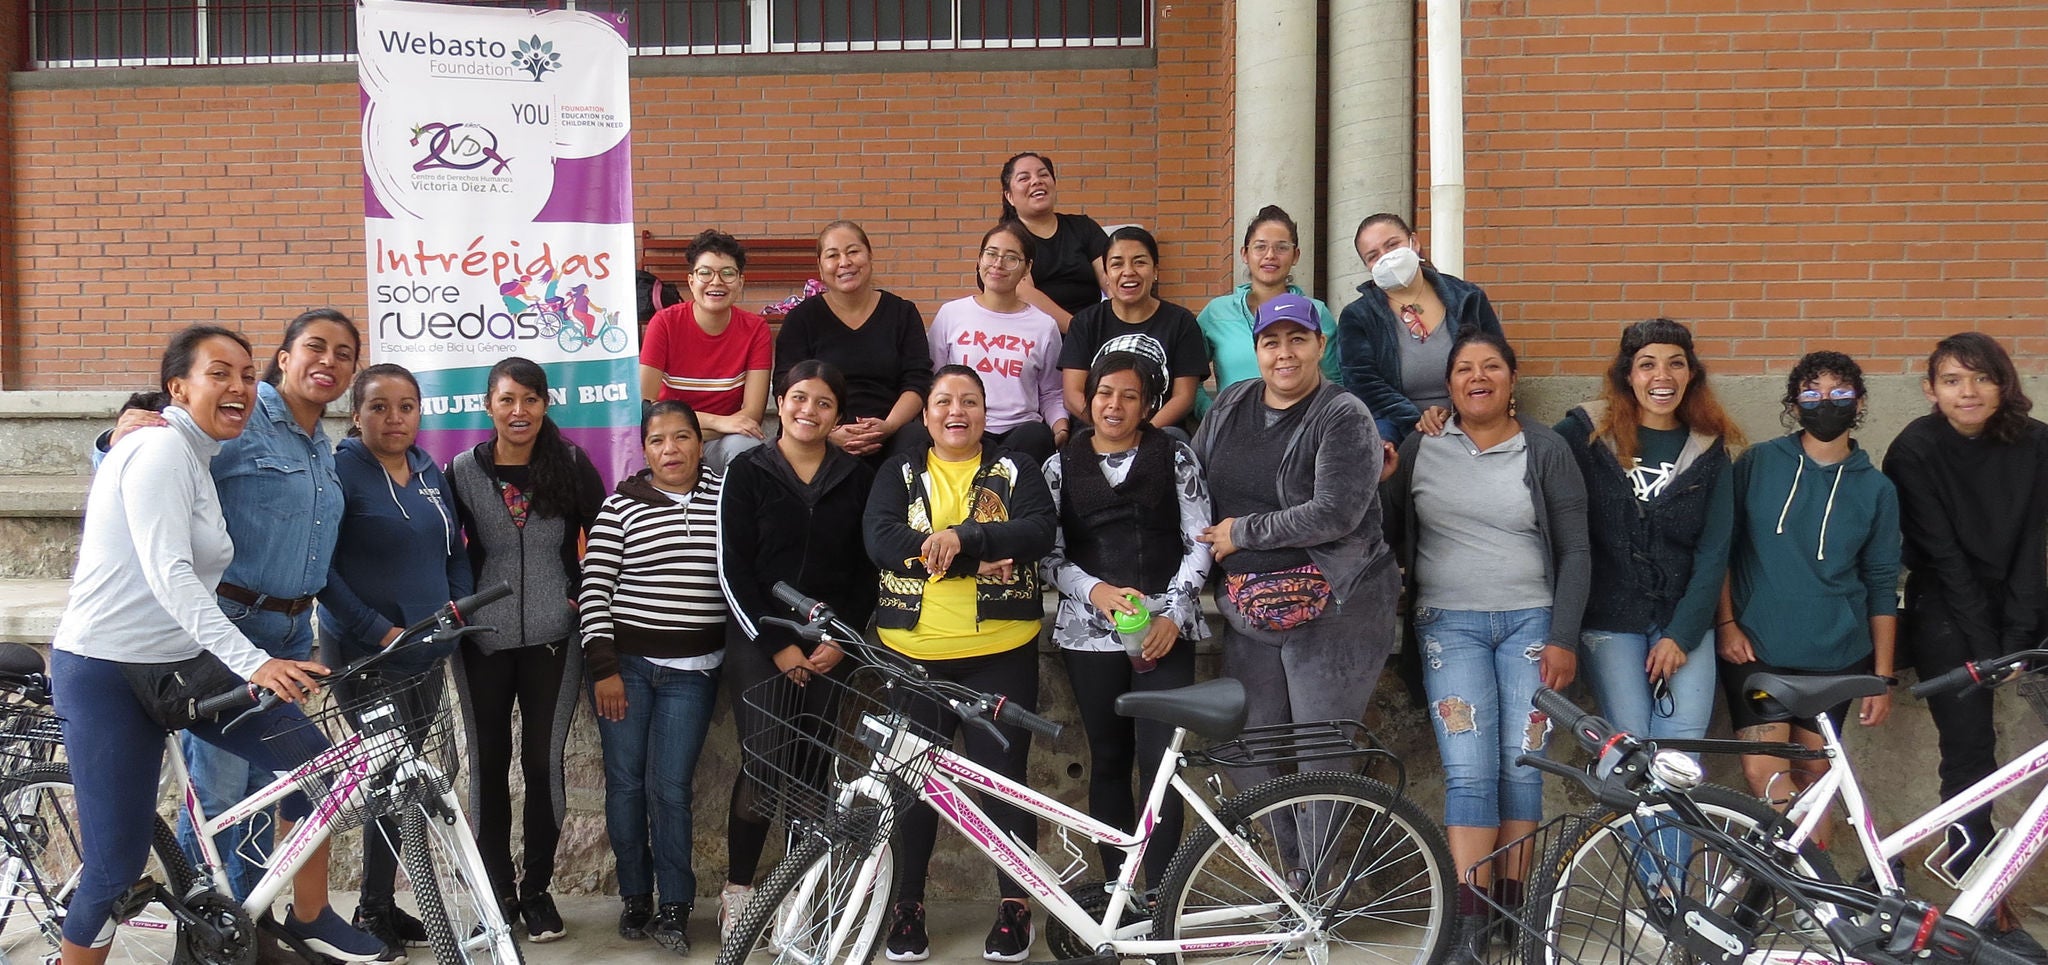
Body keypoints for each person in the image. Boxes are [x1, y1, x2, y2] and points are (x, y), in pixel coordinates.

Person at [53, 325, 385, 965]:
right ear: (176, 387)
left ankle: (308, 917)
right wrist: (255, 663)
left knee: (313, 768)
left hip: (179, 662)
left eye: (243, 373)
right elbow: (169, 572)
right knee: (115, 868)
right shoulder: (157, 451)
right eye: (218, 373)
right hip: (107, 670)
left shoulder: (202, 456)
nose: (237, 385)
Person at [97, 309, 358, 903]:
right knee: (224, 799)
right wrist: (115, 437)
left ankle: (260, 919)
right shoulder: (237, 420)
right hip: (229, 627)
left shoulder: (323, 446)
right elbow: (138, 472)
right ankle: (219, 929)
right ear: (284, 357)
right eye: (314, 347)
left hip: (293, 632)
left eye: (344, 354)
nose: (329, 361)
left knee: (282, 786)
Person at [1384, 330, 1588, 961]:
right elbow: (1389, 526)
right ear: (1447, 385)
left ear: (1512, 378)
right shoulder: (1424, 445)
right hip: (1449, 627)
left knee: (1521, 767)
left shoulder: (1546, 447)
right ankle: (1471, 921)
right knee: (1470, 772)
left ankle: (1514, 908)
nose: (1478, 377)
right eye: (1464, 369)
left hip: (1533, 626)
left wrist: (1563, 637)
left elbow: (1578, 550)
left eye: (1491, 367)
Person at [1191, 294, 1400, 862]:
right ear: (1255, 349)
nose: (1284, 354)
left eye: (1297, 339)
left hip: (1338, 606)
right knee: (1243, 746)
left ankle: (1319, 895)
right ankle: (1292, 873)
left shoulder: (1344, 414)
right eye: (1270, 342)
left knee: (1320, 754)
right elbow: (1196, 489)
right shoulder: (1231, 403)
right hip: (1251, 606)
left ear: (1319, 346)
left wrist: (1244, 533)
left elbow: (1337, 511)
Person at [865, 365, 1057, 964]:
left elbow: (1036, 531)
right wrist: (974, 561)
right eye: (943, 401)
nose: (956, 411)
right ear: (925, 416)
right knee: (911, 790)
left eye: (969, 401)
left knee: (1004, 786)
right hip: (913, 659)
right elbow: (879, 540)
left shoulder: (1015, 469)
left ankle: (1014, 906)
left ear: (984, 412)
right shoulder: (898, 471)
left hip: (999, 655)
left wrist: (964, 535)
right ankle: (907, 905)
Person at [1882, 332, 2048, 957]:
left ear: (2003, 384)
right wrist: (1990, 651)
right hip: (1947, 609)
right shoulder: (1914, 450)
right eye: (1953, 380)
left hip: (2020, 602)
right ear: (1932, 391)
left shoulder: (2036, 444)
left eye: (1981, 378)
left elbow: (2033, 544)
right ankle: (1980, 904)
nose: (1968, 392)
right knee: (1971, 751)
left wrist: (2019, 637)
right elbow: (1944, 559)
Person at [715, 359, 879, 942]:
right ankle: (739, 893)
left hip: (832, 642)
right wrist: (778, 645)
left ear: (838, 415)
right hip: (760, 640)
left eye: (823, 403)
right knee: (764, 765)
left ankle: (797, 899)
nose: (809, 411)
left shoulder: (856, 478)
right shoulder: (747, 470)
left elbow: (866, 574)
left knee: (813, 771)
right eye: (798, 398)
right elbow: (733, 570)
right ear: (778, 402)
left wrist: (842, 638)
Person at [446, 356, 606, 942]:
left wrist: (576, 598)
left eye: (531, 400)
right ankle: (498, 891)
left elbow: (607, 533)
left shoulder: (569, 463)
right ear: (488, 405)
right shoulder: (461, 470)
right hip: (481, 643)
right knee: (488, 764)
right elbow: (448, 550)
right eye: (507, 399)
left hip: (552, 643)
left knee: (542, 764)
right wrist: (462, 610)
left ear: (545, 405)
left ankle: (537, 892)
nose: (520, 411)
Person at [316, 362, 474, 951]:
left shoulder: (430, 470)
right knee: (381, 776)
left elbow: (453, 548)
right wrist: (380, 631)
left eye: (406, 406)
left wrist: (453, 612)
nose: (394, 418)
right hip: (366, 653)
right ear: (356, 414)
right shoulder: (339, 471)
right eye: (379, 406)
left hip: (429, 649)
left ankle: (379, 904)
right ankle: (370, 912)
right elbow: (323, 573)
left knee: (406, 778)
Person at [1041, 350, 1212, 888]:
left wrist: (1177, 613)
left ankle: (1160, 895)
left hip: (1164, 630)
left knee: (1162, 766)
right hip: (1089, 634)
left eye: (1130, 395)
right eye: (1104, 393)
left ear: (1148, 405)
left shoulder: (1175, 456)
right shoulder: (1059, 465)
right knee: (1109, 759)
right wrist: (1096, 592)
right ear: (1088, 399)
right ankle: (1119, 892)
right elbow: (1047, 556)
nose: (1115, 405)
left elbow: (1199, 540)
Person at [1717, 351, 1899, 844]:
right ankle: (1793, 884)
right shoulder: (1757, 463)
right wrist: (1726, 624)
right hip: (1758, 650)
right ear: (1793, 405)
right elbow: (1723, 550)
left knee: (1817, 780)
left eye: (1839, 393)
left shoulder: (1877, 489)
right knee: (1765, 775)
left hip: (1837, 655)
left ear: (1858, 402)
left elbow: (1882, 581)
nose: (1825, 403)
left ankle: (1811, 905)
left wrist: (1882, 675)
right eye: (1811, 393)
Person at [579, 400, 727, 955]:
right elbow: (596, 588)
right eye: (659, 440)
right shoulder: (622, 505)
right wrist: (605, 670)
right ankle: (636, 895)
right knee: (626, 785)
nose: (671, 449)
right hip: (628, 672)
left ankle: (676, 904)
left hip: (695, 673)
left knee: (670, 789)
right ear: (645, 449)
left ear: (699, 442)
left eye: (682, 437)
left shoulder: (726, 499)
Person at [1555, 319, 1742, 753]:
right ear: (1627, 375)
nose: (1663, 376)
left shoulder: (1708, 449)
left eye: (1676, 364)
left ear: (1691, 374)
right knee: (1629, 749)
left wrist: (1681, 635)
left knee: (1680, 751)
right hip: (1609, 618)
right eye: (1647, 365)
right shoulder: (1585, 434)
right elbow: (1524, 454)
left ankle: (1671, 826)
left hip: (1684, 619)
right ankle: (1630, 824)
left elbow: (1714, 552)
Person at [773, 221, 934, 464]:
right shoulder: (802, 318)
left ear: (869, 255)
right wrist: (827, 431)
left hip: (890, 431)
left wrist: (888, 426)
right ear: (820, 266)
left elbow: (918, 380)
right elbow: (785, 384)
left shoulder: (902, 313)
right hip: (819, 431)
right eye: (832, 255)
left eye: (853, 251)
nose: (844, 262)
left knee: (916, 437)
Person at [1336, 213, 1503, 443]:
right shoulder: (1357, 316)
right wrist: (1418, 421)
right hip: (1397, 433)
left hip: (1473, 423)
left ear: (1414, 242)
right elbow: (1363, 384)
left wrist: (1459, 418)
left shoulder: (1467, 297)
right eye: (1373, 256)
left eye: (1393, 245)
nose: (1386, 258)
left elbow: (1497, 362)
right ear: (1367, 266)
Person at [926, 220, 1068, 465]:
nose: (998, 264)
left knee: (1035, 437)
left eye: (1011, 257)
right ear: (980, 260)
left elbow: (1052, 391)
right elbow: (932, 378)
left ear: (1027, 268)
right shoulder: (952, 314)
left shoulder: (1044, 325)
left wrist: (1061, 428)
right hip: (963, 424)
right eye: (991, 254)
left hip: (1022, 432)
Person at [638, 229, 773, 471]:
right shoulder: (665, 323)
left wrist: (719, 428)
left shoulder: (755, 329)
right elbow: (645, 405)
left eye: (728, 273)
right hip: (672, 438)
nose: (716, 282)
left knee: (746, 445)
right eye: (705, 273)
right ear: (691, 281)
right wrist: (718, 422)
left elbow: (751, 417)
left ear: (741, 282)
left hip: (722, 441)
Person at [1058, 226, 1207, 437]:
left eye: (1139, 262)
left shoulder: (1181, 322)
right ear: (1106, 274)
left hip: (1159, 430)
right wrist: (1110, 431)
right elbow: (1073, 395)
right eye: (1117, 264)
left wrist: (1141, 434)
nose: (1128, 271)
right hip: (1096, 429)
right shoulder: (1085, 322)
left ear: (1155, 270)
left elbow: (1184, 398)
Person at [1195, 204, 1342, 416]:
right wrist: (1213, 415)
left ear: (1296, 255)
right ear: (1245, 254)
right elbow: (1188, 379)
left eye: (1282, 247)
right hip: (1235, 431)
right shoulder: (1217, 313)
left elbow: (1335, 380)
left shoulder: (1315, 312)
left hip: (1301, 428)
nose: (1270, 255)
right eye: (1260, 246)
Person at [997, 151, 1110, 328]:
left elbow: (1111, 276)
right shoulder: (1006, 238)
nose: (1036, 181)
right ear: (1009, 196)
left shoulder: (1083, 227)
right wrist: (1078, 331)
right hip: (1036, 336)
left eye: (1043, 174)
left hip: (1093, 328)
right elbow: (1022, 292)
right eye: (1024, 178)